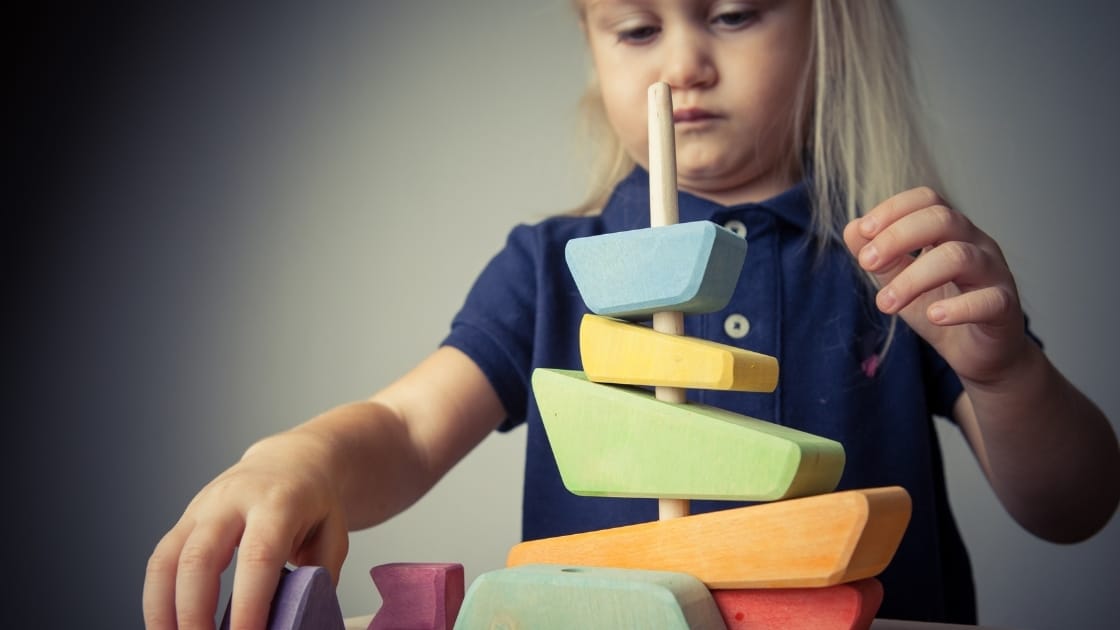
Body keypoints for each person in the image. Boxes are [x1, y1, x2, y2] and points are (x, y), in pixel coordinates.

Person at [143, 1, 1120, 627]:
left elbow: (1075, 507)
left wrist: (1008, 377)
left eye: (733, 15)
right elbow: (405, 427)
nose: (683, 63)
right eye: (637, 29)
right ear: (588, 40)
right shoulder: (550, 267)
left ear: (829, 20)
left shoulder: (896, 264)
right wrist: (297, 462)